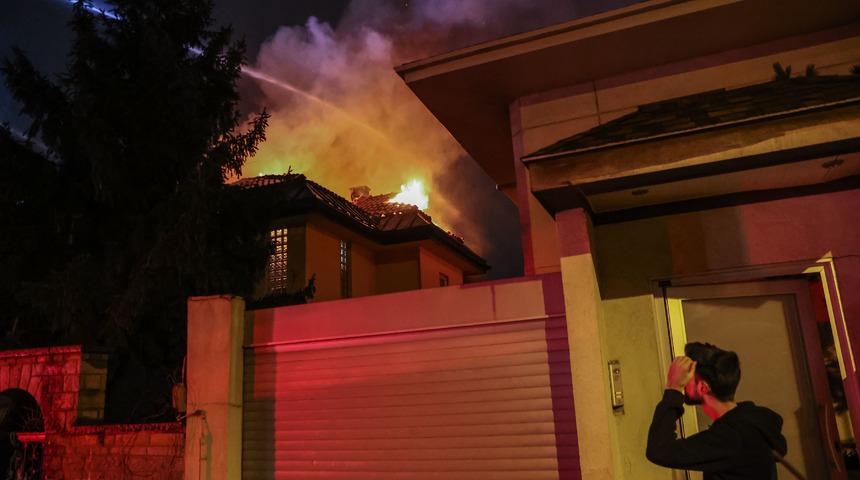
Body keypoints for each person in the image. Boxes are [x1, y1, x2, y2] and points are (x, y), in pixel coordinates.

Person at [646, 342, 788, 479]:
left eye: (688, 376)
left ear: (703, 387)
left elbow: (659, 450)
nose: (684, 380)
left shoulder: (731, 437)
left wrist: (674, 388)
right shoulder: (748, 425)